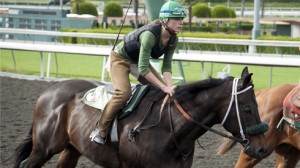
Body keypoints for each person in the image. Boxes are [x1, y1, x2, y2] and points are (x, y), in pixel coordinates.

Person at [90, 0, 187, 144]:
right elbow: (143, 69)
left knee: (165, 93)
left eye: (182, 19)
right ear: (165, 20)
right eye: (177, 19)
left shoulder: (173, 39)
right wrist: (163, 86)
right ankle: (100, 129)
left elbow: (166, 66)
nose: (181, 22)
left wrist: (169, 86)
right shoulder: (149, 35)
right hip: (120, 59)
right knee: (124, 93)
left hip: (138, 61)